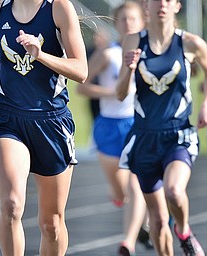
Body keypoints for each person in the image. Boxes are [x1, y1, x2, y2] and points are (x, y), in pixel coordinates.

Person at [0, 0, 87, 255]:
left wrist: (42, 55)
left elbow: (81, 70)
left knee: (52, 224)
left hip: (52, 122)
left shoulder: (58, 8)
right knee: (12, 204)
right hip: (8, 119)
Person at [116, 0, 207, 255]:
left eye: (168, 0)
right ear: (147, 6)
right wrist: (128, 69)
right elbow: (120, 94)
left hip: (178, 134)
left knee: (175, 192)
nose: (162, 4)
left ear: (177, 6)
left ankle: (184, 231)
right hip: (145, 137)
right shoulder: (133, 41)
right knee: (156, 219)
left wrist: (204, 105)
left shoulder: (190, 43)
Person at [77, 2, 152, 255]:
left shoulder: (150, 52)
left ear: (142, 21)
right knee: (121, 191)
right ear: (116, 23)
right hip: (108, 126)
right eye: (123, 19)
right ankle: (136, 219)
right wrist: (111, 91)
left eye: (133, 19)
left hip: (137, 125)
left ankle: (128, 242)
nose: (128, 23)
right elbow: (81, 87)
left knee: (136, 185)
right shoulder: (107, 53)